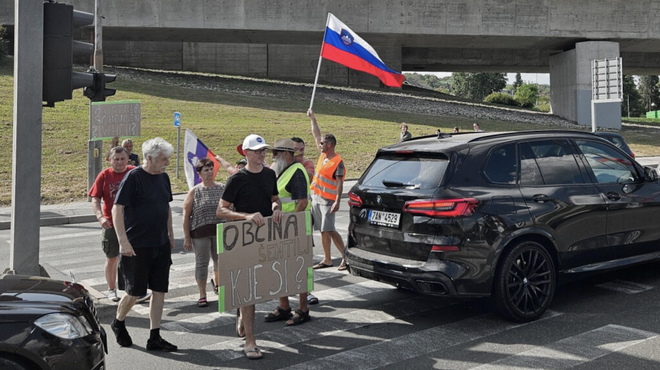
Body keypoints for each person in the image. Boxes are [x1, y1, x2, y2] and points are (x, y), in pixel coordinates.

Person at [216, 134, 283, 360]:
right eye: (257, 150)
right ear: (245, 153)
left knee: (258, 286)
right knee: (248, 290)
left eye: (263, 150)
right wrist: (245, 216)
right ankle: (251, 341)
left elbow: (274, 197)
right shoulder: (236, 179)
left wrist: (276, 207)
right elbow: (221, 210)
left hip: (265, 238)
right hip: (242, 239)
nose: (262, 154)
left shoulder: (270, 174)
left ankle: (241, 315)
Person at [110, 137, 178, 352]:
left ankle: (154, 337)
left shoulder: (164, 178)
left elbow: (165, 206)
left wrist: (170, 233)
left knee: (159, 290)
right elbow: (117, 209)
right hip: (137, 245)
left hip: (160, 243)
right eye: (163, 159)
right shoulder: (134, 177)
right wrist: (123, 241)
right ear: (149, 158)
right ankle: (118, 322)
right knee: (134, 292)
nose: (166, 163)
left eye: (167, 159)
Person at [264, 138, 313, 326]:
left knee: (299, 268)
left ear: (286, 154)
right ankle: (284, 307)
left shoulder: (297, 172)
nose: (273, 157)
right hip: (282, 228)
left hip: (295, 228)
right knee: (280, 267)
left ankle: (303, 309)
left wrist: (291, 222)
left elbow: (302, 201)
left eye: (275, 154)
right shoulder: (282, 171)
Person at [89, 146, 134, 303]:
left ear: (128, 159)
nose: (120, 162)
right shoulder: (104, 175)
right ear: (110, 160)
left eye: (123, 159)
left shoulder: (134, 172)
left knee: (134, 258)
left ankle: (134, 289)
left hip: (132, 224)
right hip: (111, 224)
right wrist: (100, 217)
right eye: (116, 159)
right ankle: (111, 289)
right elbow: (95, 198)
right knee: (112, 258)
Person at [307, 109, 347, 271]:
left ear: (329, 145)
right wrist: (313, 118)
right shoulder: (323, 156)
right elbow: (316, 133)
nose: (320, 144)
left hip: (328, 200)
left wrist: (337, 201)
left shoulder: (337, 161)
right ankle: (327, 259)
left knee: (329, 229)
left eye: (322, 143)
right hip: (317, 197)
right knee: (323, 230)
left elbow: (339, 183)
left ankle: (346, 256)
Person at [182, 158, 225, 308]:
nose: (209, 172)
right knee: (202, 262)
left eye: (211, 169)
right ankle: (202, 294)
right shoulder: (195, 191)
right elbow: (186, 215)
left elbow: (229, 207)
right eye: (205, 170)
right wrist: (187, 237)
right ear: (199, 173)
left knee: (220, 260)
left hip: (219, 230)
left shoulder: (222, 188)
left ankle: (219, 284)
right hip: (199, 232)